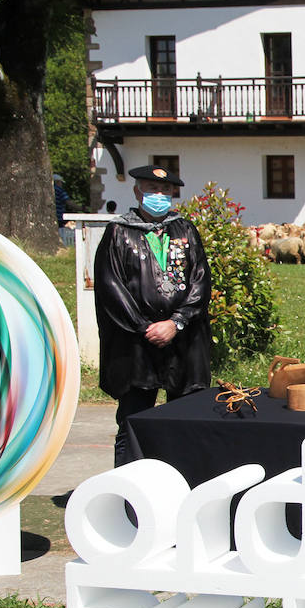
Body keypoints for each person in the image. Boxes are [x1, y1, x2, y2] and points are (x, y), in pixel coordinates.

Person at [95, 165, 211, 467]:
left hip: (182, 341)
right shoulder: (119, 232)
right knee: (133, 422)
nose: (159, 195)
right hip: (137, 345)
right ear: (138, 192)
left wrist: (176, 322)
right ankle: (128, 485)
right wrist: (145, 327)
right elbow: (111, 287)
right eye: (151, 189)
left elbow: (200, 281)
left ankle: (183, 480)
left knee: (185, 420)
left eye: (164, 190)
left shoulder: (185, 230)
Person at [54, 173, 72, 246]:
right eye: (61, 182)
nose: (61, 185)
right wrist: (82, 208)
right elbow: (69, 203)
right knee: (61, 235)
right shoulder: (59, 190)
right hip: (59, 217)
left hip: (52, 218)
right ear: (57, 182)